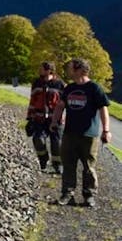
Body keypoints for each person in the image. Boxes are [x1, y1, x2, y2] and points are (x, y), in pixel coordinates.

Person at [50, 58, 111, 208]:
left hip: (89, 135)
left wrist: (106, 130)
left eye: (70, 68)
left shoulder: (94, 88)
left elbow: (104, 109)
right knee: (68, 165)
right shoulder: (69, 88)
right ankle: (67, 194)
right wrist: (54, 121)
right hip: (70, 133)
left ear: (78, 69)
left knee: (89, 167)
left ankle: (89, 196)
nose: (68, 70)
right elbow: (60, 105)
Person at [27, 61, 65, 173]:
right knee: (38, 140)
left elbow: (65, 103)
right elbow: (32, 101)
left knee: (57, 144)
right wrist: (29, 118)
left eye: (41, 68)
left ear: (49, 70)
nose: (39, 70)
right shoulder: (37, 83)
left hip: (56, 119)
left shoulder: (60, 84)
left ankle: (57, 165)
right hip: (39, 118)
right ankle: (43, 159)